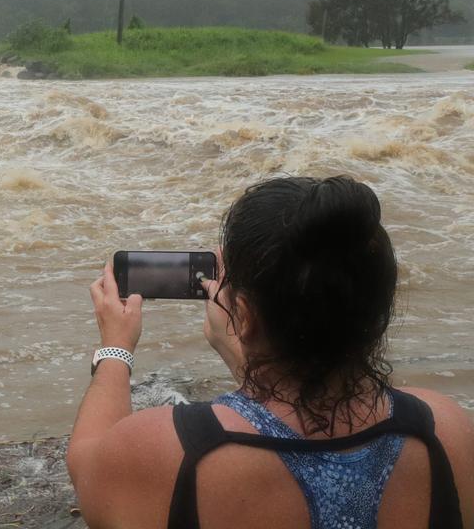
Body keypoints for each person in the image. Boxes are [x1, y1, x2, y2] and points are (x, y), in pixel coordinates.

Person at [66, 176, 474, 529]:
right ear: (380, 308)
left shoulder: (170, 452)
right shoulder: (447, 431)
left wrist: (116, 348)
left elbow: (87, 466)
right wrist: (247, 351)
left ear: (241, 313)